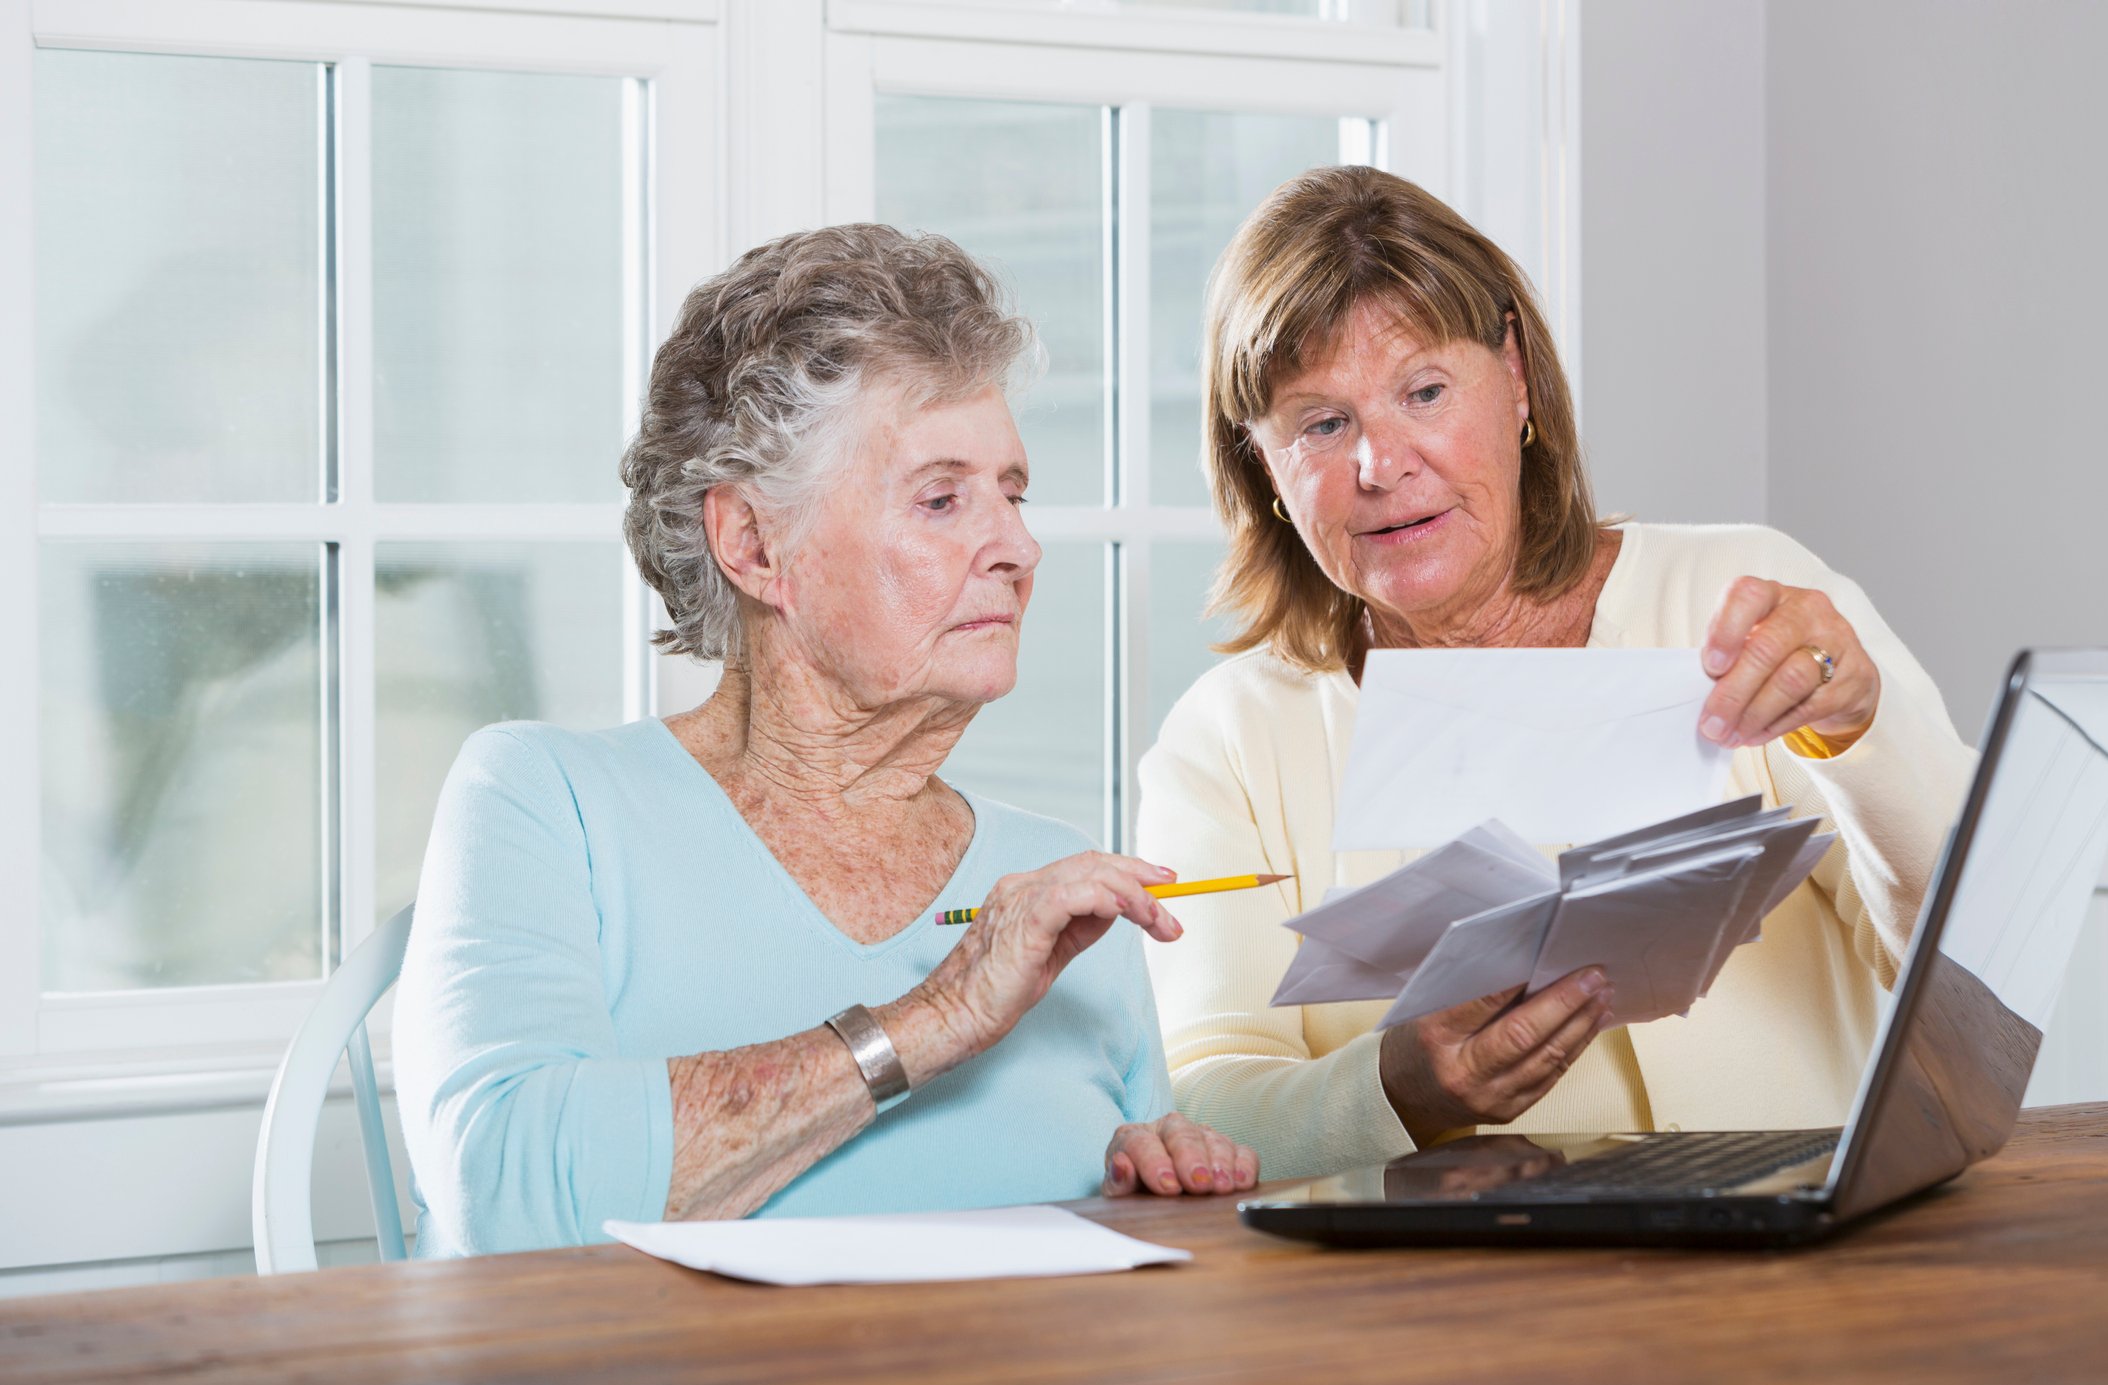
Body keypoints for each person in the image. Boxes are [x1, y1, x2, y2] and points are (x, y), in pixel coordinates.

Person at [395, 225, 1256, 1257]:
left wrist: (1162, 1172)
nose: (1018, 549)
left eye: (1014, 494)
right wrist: (939, 1015)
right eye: (942, 499)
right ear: (756, 544)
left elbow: (1131, 1211)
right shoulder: (546, 800)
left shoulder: (1056, 881)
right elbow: (505, 1191)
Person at [1137, 166, 1973, 1181]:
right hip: (1455, 1312)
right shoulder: (1226, 738)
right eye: (1322, 423)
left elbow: (1960, 960)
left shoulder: (1745, 597)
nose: (1379, 463)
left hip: (1799, 1281)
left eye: (1425, 392)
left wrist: (1859, 733)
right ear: (1261, 466)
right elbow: (1211, 1098)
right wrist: (1399, 1088)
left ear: (1517, 379)